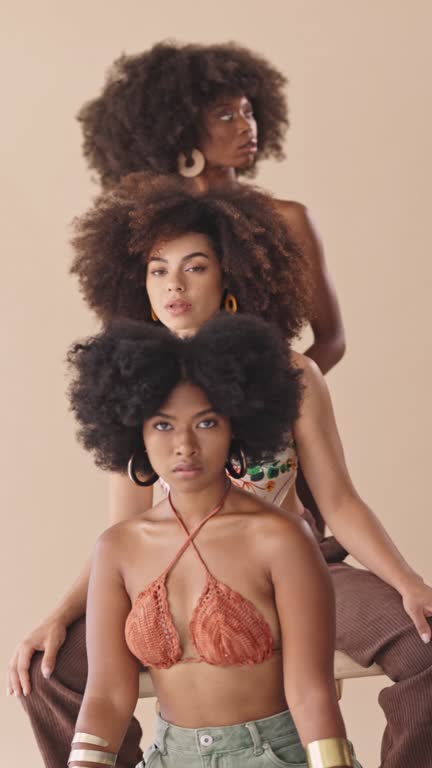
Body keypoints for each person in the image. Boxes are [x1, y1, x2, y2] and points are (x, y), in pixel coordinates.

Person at [9, 181, 432, 767]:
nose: (174, 285)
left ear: (229, 276)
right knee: (45, 667)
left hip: (296, 562)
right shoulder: (136, 381)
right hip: (171, 576)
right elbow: (123, 538)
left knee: (426, 644)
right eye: (158, 271)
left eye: (194, 267)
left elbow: (338, 501)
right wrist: (59, 614)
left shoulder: (293, 374)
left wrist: (409, 581)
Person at [66, 312, 359, 768]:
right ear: (135, 433)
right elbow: (107, 694)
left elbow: (310, 691)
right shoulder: (117, 549)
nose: (184, 445)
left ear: (236, 428)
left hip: (276, 756)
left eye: (205, 423)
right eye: (163, 425)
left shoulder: (280, 538)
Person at [78, 41, 345, 376]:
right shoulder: (144, 227)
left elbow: (332, 340)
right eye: (226, 115)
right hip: (174, 418)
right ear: (181, 130)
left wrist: (272, 397)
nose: (246, 126)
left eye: (248, 112)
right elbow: (128, 339)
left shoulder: (287, 220)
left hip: (263, 415)